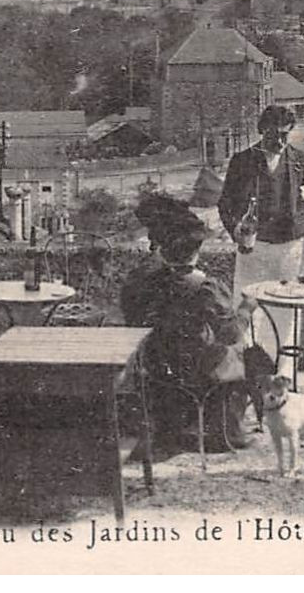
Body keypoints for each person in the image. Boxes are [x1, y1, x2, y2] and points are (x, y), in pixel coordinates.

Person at [120, 194, 256, 455]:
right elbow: (231, 333)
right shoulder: (206, 288)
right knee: (243, 353)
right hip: (196, 371)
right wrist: (246, 309)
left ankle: (174, 423)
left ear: (161, 249)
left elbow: (132, 319)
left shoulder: (141, 282)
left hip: (155, 366)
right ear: (196, 251)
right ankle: (229, 431)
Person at [215, 104, 304, 360]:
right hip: (254, 250)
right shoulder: (242, 161)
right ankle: (246, 376)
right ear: (261, 131)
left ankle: (283, 377)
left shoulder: (301, 161)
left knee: (288, 315)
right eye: (273, 134)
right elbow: (225, 204)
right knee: (247, 313)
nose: (279, 141)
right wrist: (236, 230)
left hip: (291, 249)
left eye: (285, 135)